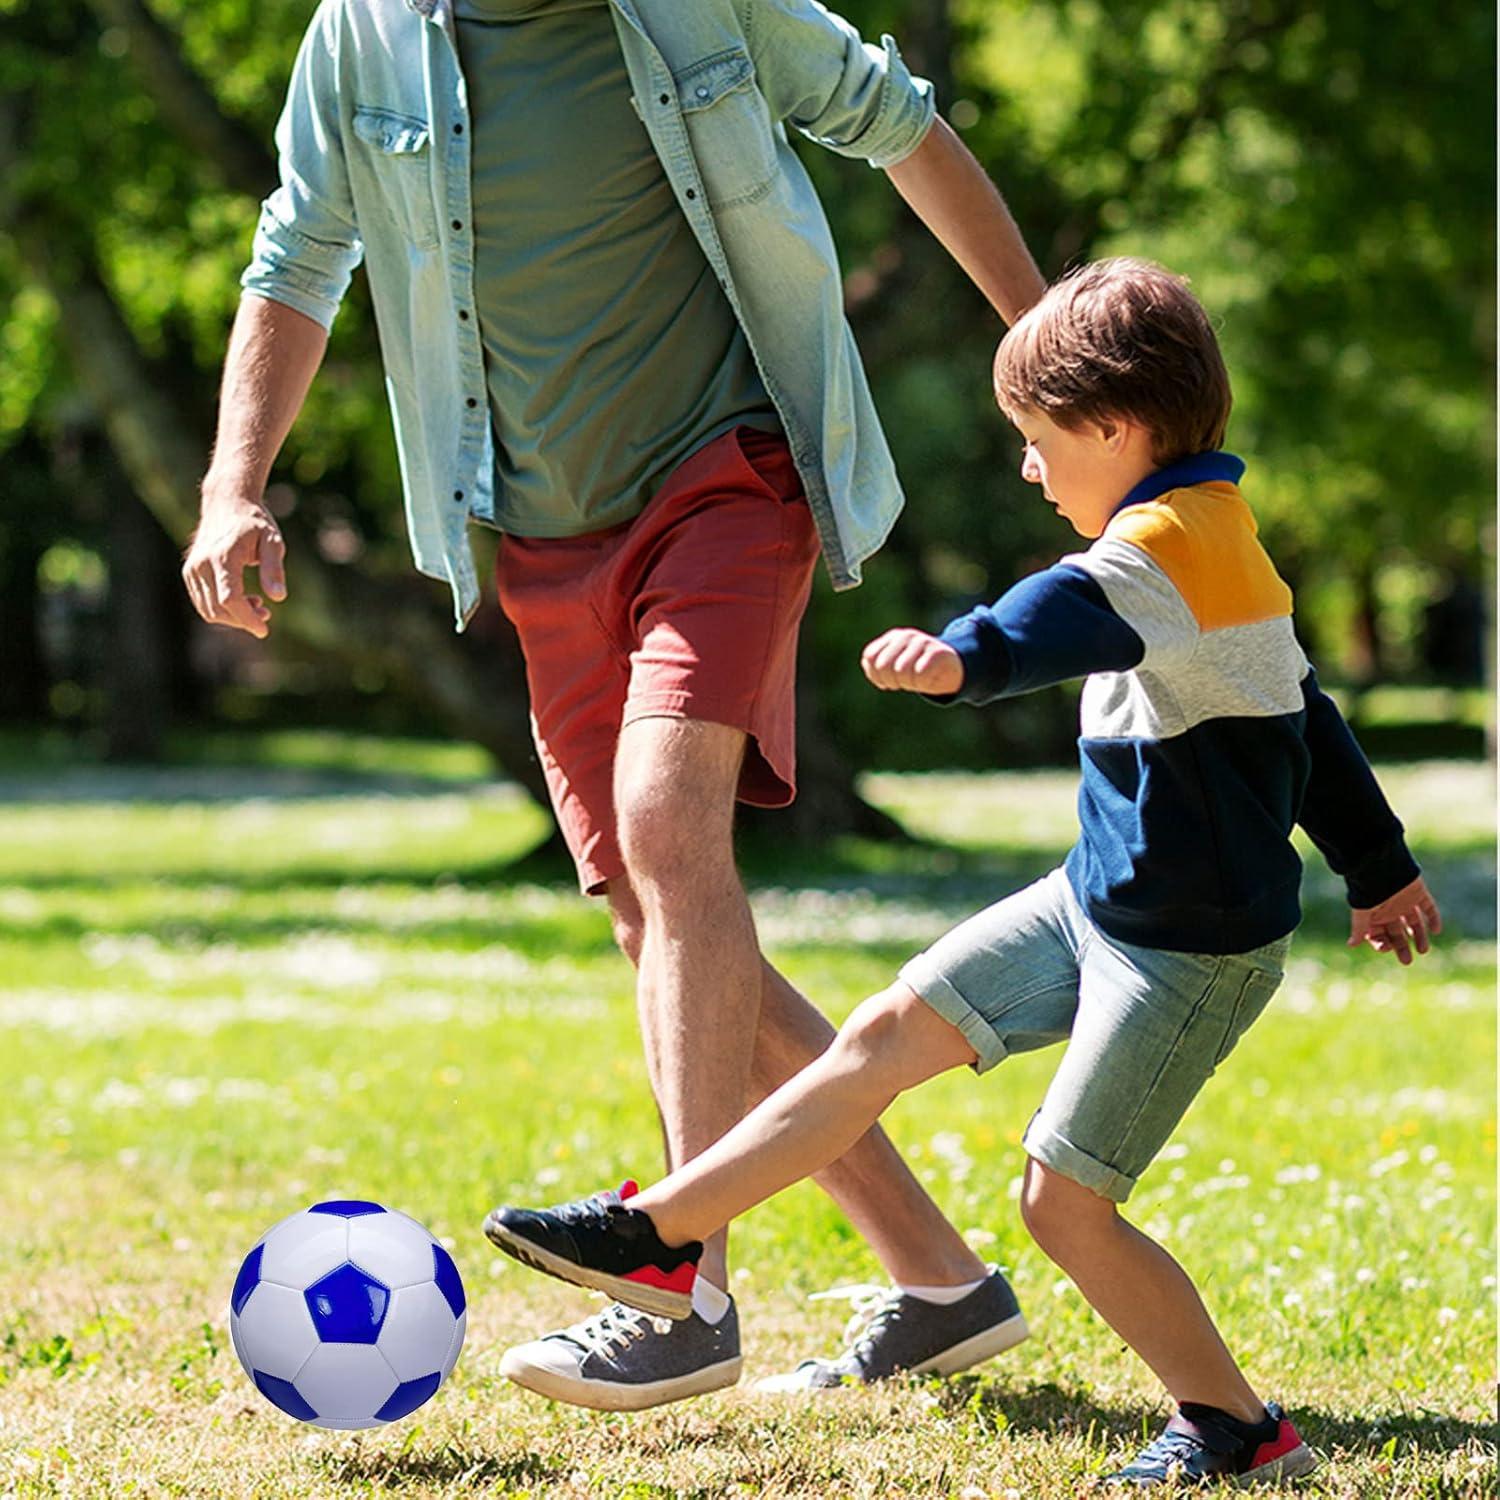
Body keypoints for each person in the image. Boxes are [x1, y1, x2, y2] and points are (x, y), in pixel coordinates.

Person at [181, 0, 1047, 1410]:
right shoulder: (363, 35)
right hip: (530, 525)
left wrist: (1050, 366)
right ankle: (940, 1284)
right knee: (665, 909)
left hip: (726, 470)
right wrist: (232, 482)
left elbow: (903, 120)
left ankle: (678, 1280)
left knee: (667, 828)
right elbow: (297, 252)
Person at [484, 258, 1443, 1483]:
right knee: (879, 1035)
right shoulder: (1216, 535)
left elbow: (1065, 616)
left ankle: (1235, 1429)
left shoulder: (1168, 547)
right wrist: (1381, 869)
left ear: (1115, 427)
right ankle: (661, 1238)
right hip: (1091, 904)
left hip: (1187, 954)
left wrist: (962, 659)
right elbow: (1308, 720)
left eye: (1040, 442)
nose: (1031, 470)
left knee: (1063, 1205)